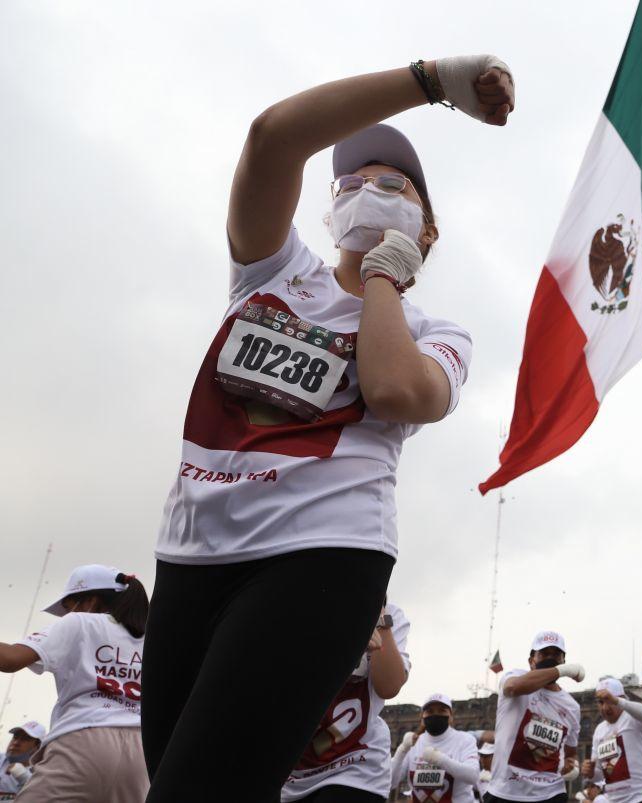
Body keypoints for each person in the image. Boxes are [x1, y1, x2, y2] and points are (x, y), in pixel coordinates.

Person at [142, 53, 510, 802]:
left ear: (428, 229)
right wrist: (433, 82)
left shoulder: (436, 331)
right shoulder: (273, 273)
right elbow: (272, 138)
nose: (368, 190)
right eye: (351, 183)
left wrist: (382, 278)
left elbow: (396, 389)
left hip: (319, 556)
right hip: (190, 553)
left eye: (393, 185)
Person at [0, 565, 149, 802]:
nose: (67, 615)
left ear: (91, 601)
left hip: (84, 742)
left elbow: (9, 660)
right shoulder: (152, 637)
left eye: (69, 607)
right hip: (141, 753)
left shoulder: (80, 622)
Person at [282, 602, 411, 802]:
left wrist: (379, 618)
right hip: (293, 773)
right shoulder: (296, 604)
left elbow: (389, 686)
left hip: (356, 766)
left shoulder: (389, 614)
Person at [487, 631, 585, 803]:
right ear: (531, 661)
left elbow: (571, 754)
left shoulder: (572, 707)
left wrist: (573, 767)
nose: (550, 658)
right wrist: (562, 671)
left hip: (551, 794)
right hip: (506, 792)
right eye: (544, 654)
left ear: (563, 660)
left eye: (556, 655)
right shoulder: (514, 676)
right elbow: (512, 688)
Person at [390, 693, 480, 803]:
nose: (435, 715)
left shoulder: (465, 740)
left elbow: (473, 776)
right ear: (422, 717)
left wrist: (440, 759)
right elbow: (390, 782)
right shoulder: (414, 743)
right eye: (430, 711)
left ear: (451, 716)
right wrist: (402, 750)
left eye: (442, 711)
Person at [582, 677, 642, 803]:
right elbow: (599, 774)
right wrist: (590, 772)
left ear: (620, 699)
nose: (605, 708)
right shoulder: (599, 731)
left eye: (609, 701)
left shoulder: (633, 718)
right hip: (614, 800)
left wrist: (618, 701)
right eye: (601, 702)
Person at [0, 721, 44, 800]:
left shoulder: (40, 773)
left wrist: (23, 777)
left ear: (37, 747)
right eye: (15, 737)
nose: (16, 743)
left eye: (25, 739)